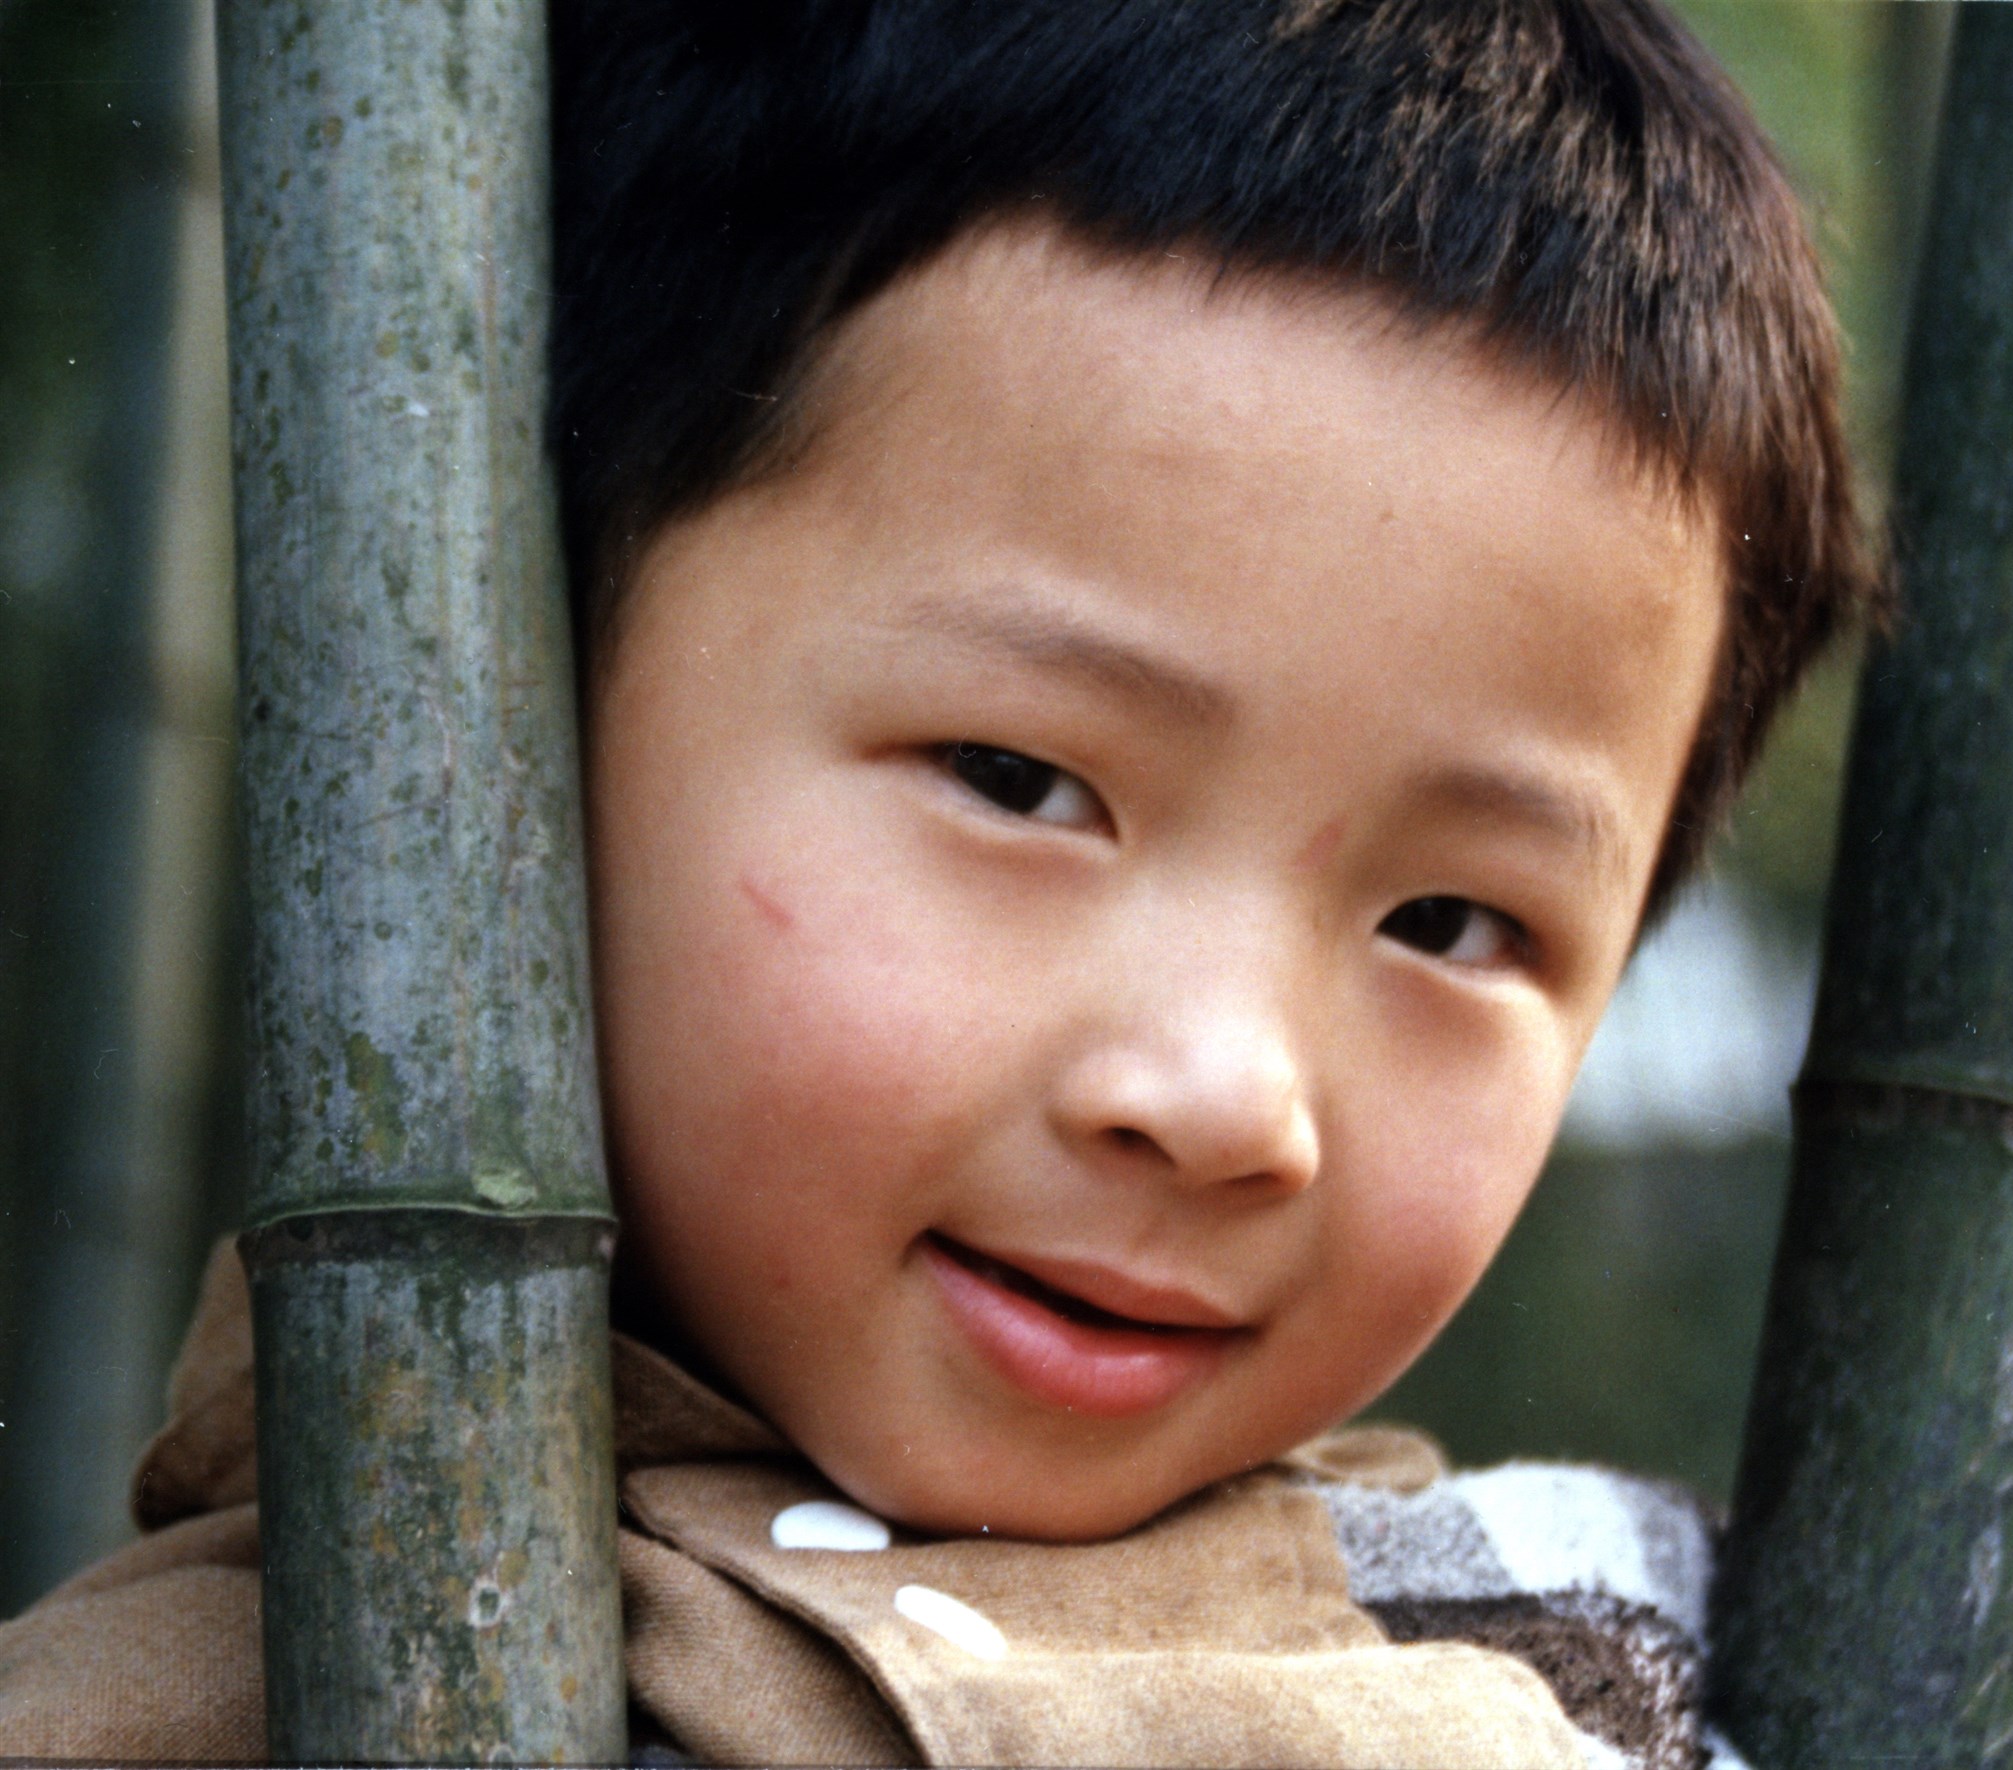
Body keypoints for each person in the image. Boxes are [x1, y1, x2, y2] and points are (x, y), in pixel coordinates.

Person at [0, 2, 1881, 1763]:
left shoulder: (1618, 1634)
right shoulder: (186, 1717)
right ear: (515, 689)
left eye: (1449, 924)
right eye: (1017, 782)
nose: (1226, 1100)